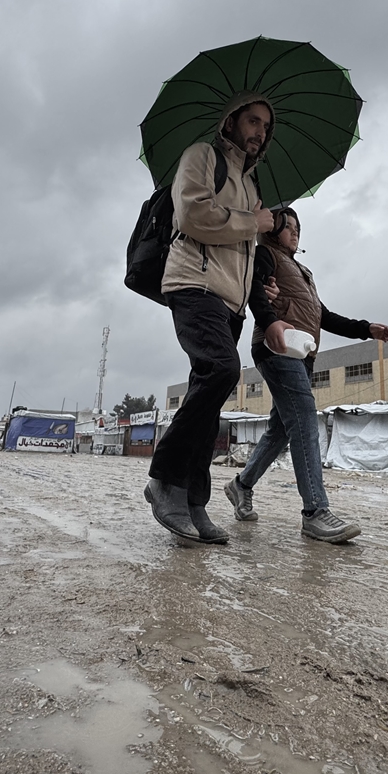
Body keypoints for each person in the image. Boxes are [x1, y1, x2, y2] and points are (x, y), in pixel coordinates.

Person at [144, 92, 277, 544]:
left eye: (265, 125)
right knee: (221, 370)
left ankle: (194, 502)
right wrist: (253, 223)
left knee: (212, 391)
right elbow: (195, 214)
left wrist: (262, 293)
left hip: (231, 302)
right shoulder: (202, 156)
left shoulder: (253, 187)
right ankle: (164, 479)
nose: (259, 131)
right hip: (193, 283)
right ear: (232, 121)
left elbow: (244, 250)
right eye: (253, 121)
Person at [226, 207, 388, 543]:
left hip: (302, 354)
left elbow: (323, 315)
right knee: (303, 418)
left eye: (299, 226)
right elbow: (253, 290)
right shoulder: (265, 255)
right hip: (278, 347)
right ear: (274, 229)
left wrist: (365, 328)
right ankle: (315, 511)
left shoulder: (302, 270)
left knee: (280, 431)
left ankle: (240, 485)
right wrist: (270, 319)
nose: (296, 231)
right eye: (290, 225)